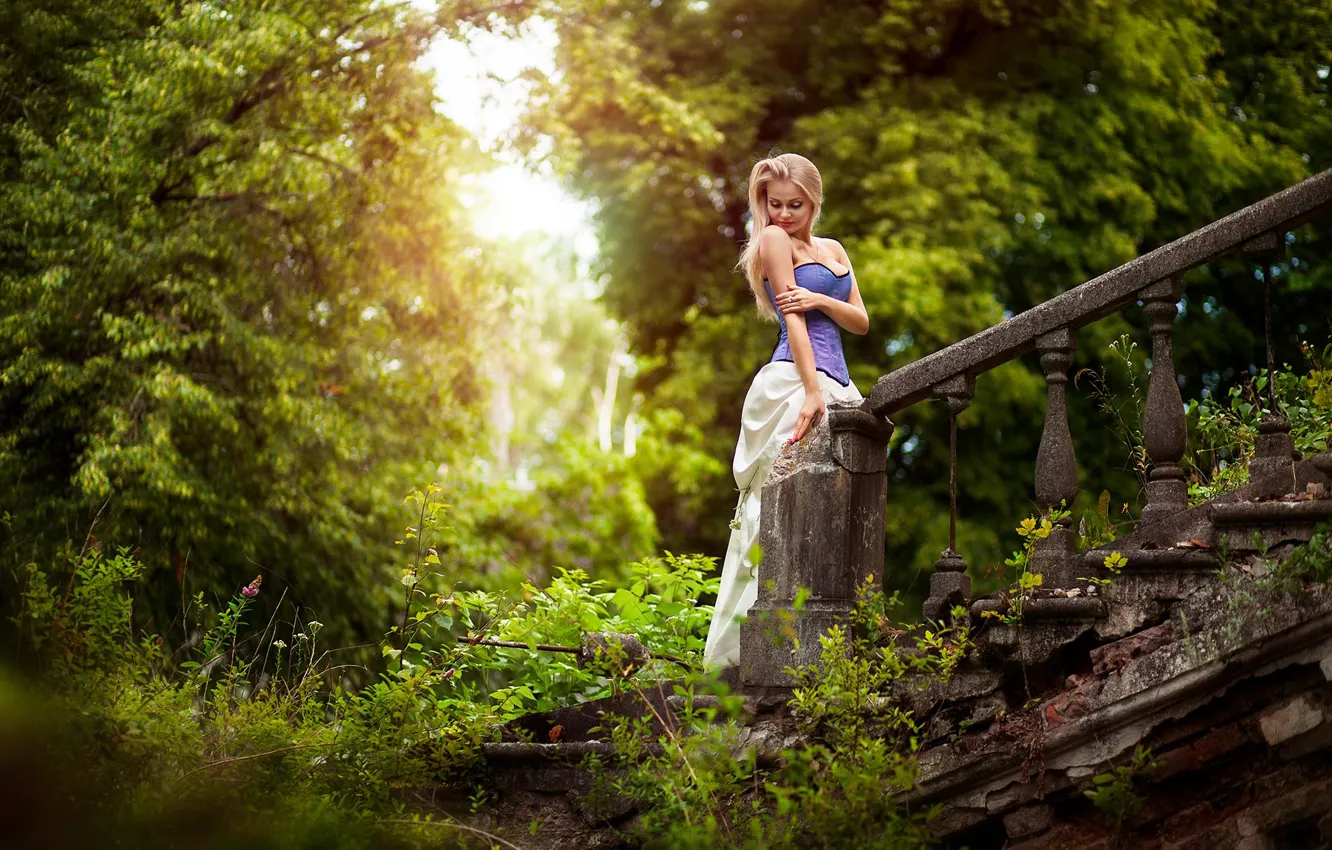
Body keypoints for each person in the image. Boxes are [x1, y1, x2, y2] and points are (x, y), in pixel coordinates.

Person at [703, 152, 870, 668]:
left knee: (839, 504)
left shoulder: (833, 249)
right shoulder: (773, 241)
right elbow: (791, 323)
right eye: (773, 205)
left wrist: (820, 301)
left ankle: (827, 639)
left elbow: (860, 321)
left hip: (837, 380)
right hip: (795, 379)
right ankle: (749, 649)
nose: (782, 215)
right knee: (773, 507)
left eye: (794, 204)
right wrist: (812, 391)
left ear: (814, 201)